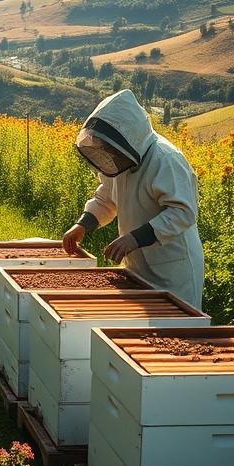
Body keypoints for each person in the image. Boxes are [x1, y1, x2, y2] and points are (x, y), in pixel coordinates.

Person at [62, 89, 205, 309]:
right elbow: (106, 197)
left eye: (109, 146)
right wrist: (82, 224)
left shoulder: (166, 159)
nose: (107, 151)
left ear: (130, 137)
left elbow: (183, 212)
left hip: (173, 271)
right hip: (137, 266)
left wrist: (134, 238)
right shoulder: (120, 159)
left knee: (174, 334)